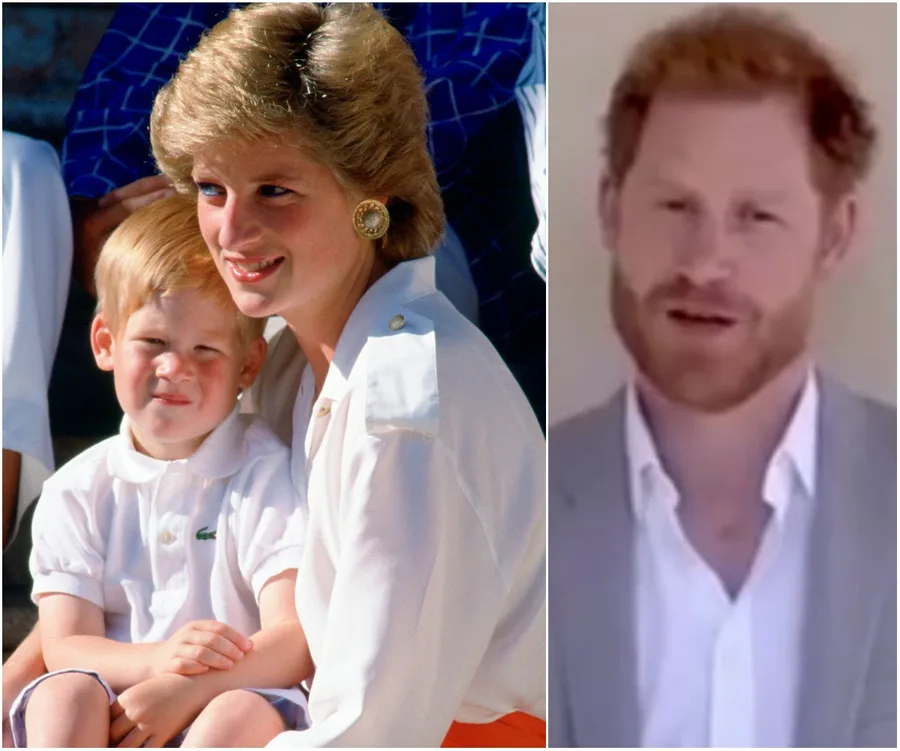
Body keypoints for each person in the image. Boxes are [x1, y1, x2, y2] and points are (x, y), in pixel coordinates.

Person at [5, 3, 547, 747]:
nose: (230, 232)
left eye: (275, 191)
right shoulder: (286, 347)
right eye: (210, 188)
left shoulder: (402, 407)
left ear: (373, 197)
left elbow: (368, 732)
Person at [549, 6, 895, 748]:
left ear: (834, 234)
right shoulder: (523, 496)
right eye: (676, 206)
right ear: (611, 209)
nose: (705, 263)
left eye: (756, 217)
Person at [8, 195, 312, 748]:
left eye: (206, 349)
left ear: (248, 365)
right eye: (154, 342)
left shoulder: (266, 473)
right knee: (63, 693)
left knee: (237, 714)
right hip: (117, 700)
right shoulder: (76, 490)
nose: (175, 368)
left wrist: (186, 688)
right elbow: (66, 644)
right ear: (106, 343)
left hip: (232, 694)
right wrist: (157, 662)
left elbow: (293, 640)